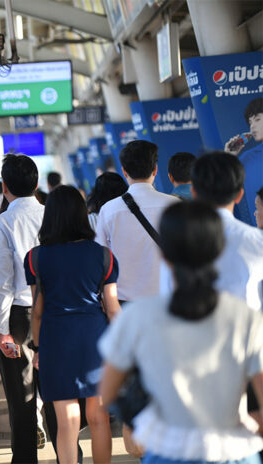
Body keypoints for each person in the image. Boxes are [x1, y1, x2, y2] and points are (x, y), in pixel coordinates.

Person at [99, 201, 263, 464]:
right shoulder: (246, 319)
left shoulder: (137, 318)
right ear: (219, 250)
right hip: (235, 453)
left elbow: (108, 393)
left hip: (167, 453)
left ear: (164, 255)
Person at [26, 186, 121, 464]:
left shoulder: (35, 257)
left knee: (67, 420)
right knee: (99, 417)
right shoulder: (103, 255)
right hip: (95, 337)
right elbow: (113, 307)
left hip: (56, 339)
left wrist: (37, 348)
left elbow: (37, 311)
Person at [0, 154, 46, 462]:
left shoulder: (2, 223)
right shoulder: (53, 215)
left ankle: (25, 459)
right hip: (52, 312)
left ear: (5, 188)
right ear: (37, 183)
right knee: (57, 394)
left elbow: (3, 281)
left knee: (21, 398)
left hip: (19, 317)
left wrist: (3, 329)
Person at [95, 140, 177, 302]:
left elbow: (101, 259)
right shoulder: (175, 206)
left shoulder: (108, 210)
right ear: (155, 169)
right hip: (169, 300)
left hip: (124, 302)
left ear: (124, 172)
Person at [189, 152, 263, 311]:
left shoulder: (175, 239)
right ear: (239, 195)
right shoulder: (257, 240)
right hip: (249, 331)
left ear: (193, 192)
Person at [225, 97, 263, 225]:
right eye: (250, 122)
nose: (252, 126)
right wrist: (229, 157)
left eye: (257, 119)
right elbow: (221, 190)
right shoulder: (246, 158)